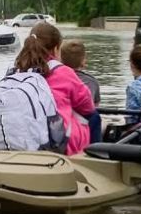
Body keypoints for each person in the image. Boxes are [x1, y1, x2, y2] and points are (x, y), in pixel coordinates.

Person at [14, 23, 96, 155]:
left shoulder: (16, 71)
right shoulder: (63, 72)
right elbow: (87, 106)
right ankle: (96, 159)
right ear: (56, 49)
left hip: (21, 139)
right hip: (58, 143)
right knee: (94, 117)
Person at [60, 39, 102, 143]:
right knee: (96, 117)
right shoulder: (92, 82)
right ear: (83, 61)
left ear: (61, 60)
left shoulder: (55, 77)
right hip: (84, 124)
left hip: (62, 123)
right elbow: (95, 106)